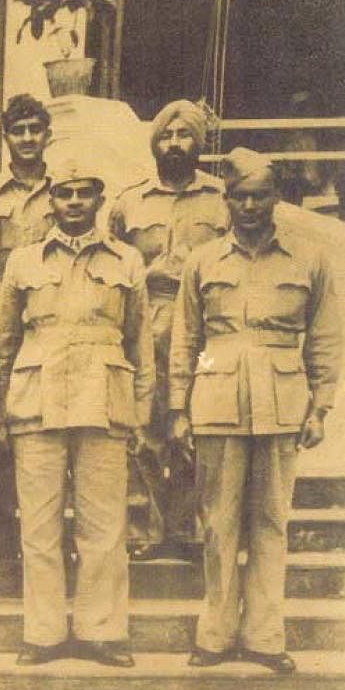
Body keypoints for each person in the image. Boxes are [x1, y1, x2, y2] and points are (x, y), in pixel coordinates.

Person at [169, 147, 341, 674]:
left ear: (276, 199)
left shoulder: (309, 259)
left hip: (282, 403)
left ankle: (266, 636)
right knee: (219, 522)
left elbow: (326, 340)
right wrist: (179, 407)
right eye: (239, 196)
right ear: (226, 201)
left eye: (259, 195)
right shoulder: (202, 261)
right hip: (217, 400)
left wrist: (321, 408)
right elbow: (185, 338)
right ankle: (215, 635)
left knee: (270, 520)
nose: (249, 205)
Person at [0, 158, 154, 669]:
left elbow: (141, 342)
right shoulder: (22, 261)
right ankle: (42, 633)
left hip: (103, 398)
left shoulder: (127, 260)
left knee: (103, 526)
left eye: (85, 193)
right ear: (51, 201)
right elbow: (3, 342)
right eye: (65, 194)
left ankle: (100, 630)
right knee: (38, 526)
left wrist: (141, 412)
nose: (75, 203)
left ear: (99, 199)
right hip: (36, 396)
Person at [110, 99, 230, 562]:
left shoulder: (222, 199)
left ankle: (186, 528)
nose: (175, 144)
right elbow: (115, 264)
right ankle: (145, 529)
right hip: (148, 314)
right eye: (167, 136)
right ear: (155, 143)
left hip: (203, 321)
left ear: (198, 144)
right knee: (142, 422)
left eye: (184, 136)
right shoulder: (130, 201)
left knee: (193, 422)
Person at [0, 93, 56, 558]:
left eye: (34, 130)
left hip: (45, 318)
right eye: (17, 131)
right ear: (5, 138)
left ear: (47, 135)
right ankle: (0, 522)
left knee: (39, 419)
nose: (26, 139)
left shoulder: (65, 193)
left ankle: (40, 526)